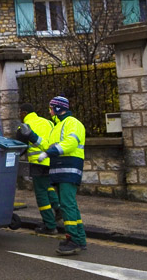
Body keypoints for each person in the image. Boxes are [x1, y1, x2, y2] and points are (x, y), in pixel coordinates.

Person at [38, 96, 87, 255]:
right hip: (61, 170)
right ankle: (79, 239)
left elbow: (70, 143)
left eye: (51, 108)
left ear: (58, 109)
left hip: (69, 168)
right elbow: (47, 145)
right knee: (69, 204)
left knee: (66, 205)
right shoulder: (57, 126)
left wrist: (49, 152)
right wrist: (32, 136)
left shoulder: (73, 123)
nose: (50, 111)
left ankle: (72, 239)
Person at [17, 103, 61, 235]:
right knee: (48, 187)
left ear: (24, 113)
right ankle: (58, 209)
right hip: (52, 160)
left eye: (20, 112)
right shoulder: (48, 122)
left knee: (41, 194)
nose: (19, 115)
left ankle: (50, 225)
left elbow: (20, 148)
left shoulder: (24, 127)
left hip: (38, 163)